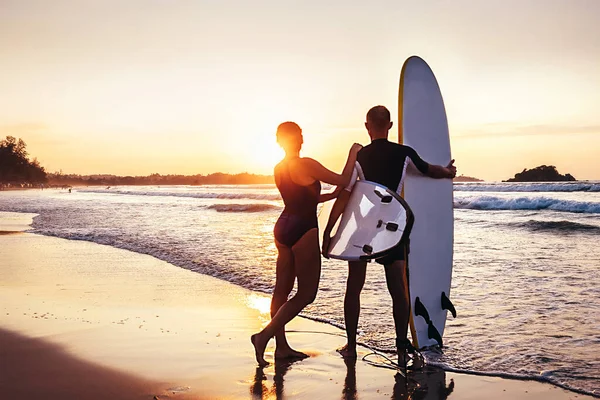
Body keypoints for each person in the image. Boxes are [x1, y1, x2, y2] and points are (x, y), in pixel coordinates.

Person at [321, 105, 456, 369]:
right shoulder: (404, 153)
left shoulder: (360, 157)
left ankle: (351, 345)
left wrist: (330, 231)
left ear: (367, 126)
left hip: (363, 228)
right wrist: (447, 171)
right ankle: (400, 344)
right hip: (394, 226)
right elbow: (429, 170)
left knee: (354, 285)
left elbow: (345, 194)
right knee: (398, 288)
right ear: (390, 125)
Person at [251, 121, 362, 366]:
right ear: (298, 139)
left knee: (281, 290)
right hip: (303, 229)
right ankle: (264, 336)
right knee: (306, 293)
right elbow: (344, 179)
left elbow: (300, 196)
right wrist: (352, 153)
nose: (302, 138)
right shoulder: (307, 164)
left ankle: (281, 348)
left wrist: (330, 196)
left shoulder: (279, 167)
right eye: (300, 134)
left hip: (283, 228)